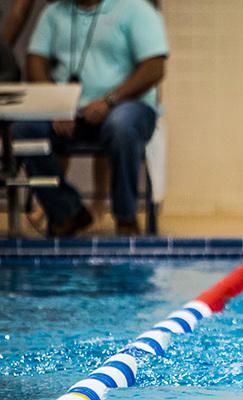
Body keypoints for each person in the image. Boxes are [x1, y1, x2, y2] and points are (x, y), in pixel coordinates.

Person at [11, 0, 167, 237]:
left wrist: (110, 101)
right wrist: (56, 104)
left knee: (121, 125)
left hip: (126, 106)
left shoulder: (135, 9)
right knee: (24, 130)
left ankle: (126, 218)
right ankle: (67, 212)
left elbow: (154, 67)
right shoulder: (54, 13)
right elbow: (35, 60)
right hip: (69, 112)